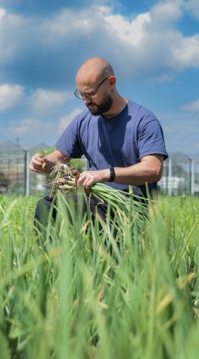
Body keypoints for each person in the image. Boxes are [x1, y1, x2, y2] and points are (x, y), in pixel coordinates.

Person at [29, 57, 168, 234]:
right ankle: (46, 260)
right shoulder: (83, 121)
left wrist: (104, 174)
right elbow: (59, 157)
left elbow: (153, 170)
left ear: (111, 83)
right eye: (81, 95)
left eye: (91, 94)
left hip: (131, 207)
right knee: (47, 206)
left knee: (108, 238)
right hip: (95, 201)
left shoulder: (144, 120)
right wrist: (42, 162)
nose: (86, 101)